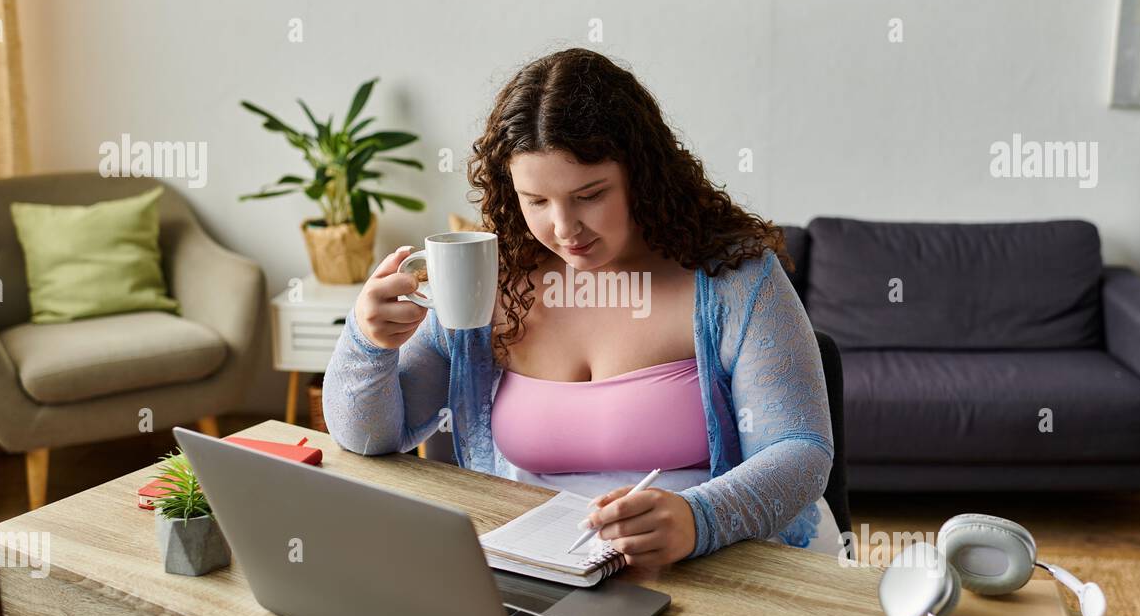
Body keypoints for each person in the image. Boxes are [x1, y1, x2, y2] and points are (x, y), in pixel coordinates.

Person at [323, 47, 838, 567]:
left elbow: (800, 449)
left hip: (715, 564)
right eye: (537, 201)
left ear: (643, 174)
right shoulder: (488, 278)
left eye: (590, 195)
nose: (565, 229)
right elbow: (370, 438)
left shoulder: (734, 277)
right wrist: (368, 345)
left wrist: (698, 519)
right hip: (537, 567)